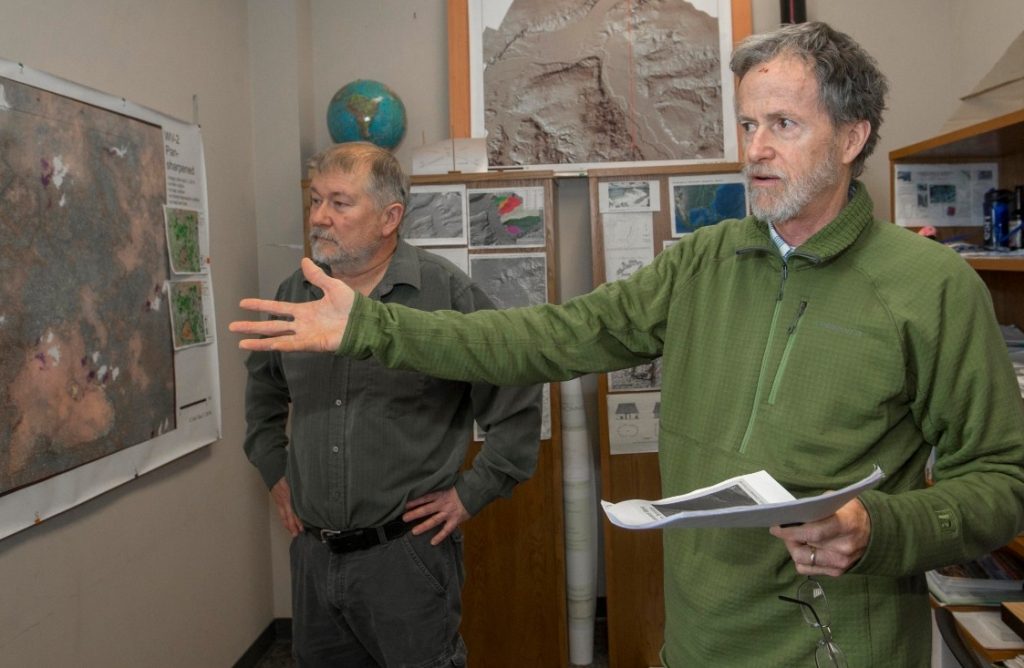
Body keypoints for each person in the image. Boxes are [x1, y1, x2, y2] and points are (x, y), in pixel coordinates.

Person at [231, 23, 1024, 667]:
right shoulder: (705, 262)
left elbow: (1002, 481)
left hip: (840, 645)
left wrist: (878, 528)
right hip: (701, 642)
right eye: (747, 124)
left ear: (852, 137)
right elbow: (549, 336)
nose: (754, 149)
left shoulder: (929, 286)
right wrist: (373, 326)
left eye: (783, 124)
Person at [242, 141, 542, 667]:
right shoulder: (295, 292)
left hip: (404, 558)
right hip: (314, 558)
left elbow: (515, 393)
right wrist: (274, 469)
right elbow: (264, 390)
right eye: (316, 201)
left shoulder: (443, 293)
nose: (319, 218)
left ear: (390, 217)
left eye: (339, 203)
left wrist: (472, 493)